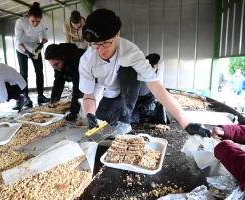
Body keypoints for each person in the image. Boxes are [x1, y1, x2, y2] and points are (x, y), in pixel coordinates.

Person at [79, 8, 211, 138]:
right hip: (115, 91)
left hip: (139, 87)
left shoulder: (130, 52)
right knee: (101, 124)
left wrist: (186, 123)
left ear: (117, 34)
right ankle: (146, 111)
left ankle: (126, 120)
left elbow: (156, 86)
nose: (101, 50)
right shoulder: (87, 60)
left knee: (127, 70)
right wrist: (90, 115)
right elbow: (89, 95)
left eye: (106, 43)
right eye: (96, 45)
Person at [15, 2, 50, 108]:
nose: (35, 24)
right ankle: (26, 97)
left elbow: (45, 37)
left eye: (37, 21)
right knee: (24, 73)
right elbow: (18, 40)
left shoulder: (43, 23)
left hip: (35, 47)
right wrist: (26, 52)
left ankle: (40, 95)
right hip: (22, 49)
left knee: (39, 72)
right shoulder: (20, 22)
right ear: (28, 17)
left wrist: (40, 46)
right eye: (33, 21)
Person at [44, 43, 85, 121]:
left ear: (63, 57)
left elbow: (78, 87)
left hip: (97, 78)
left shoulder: (77, 60)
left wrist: (74, 111)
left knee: (87, 106)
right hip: (78, 77)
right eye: (52, 65)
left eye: (56, 64)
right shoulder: (59, 61)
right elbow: (58, 81)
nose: (55, 68)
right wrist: (54, 100)